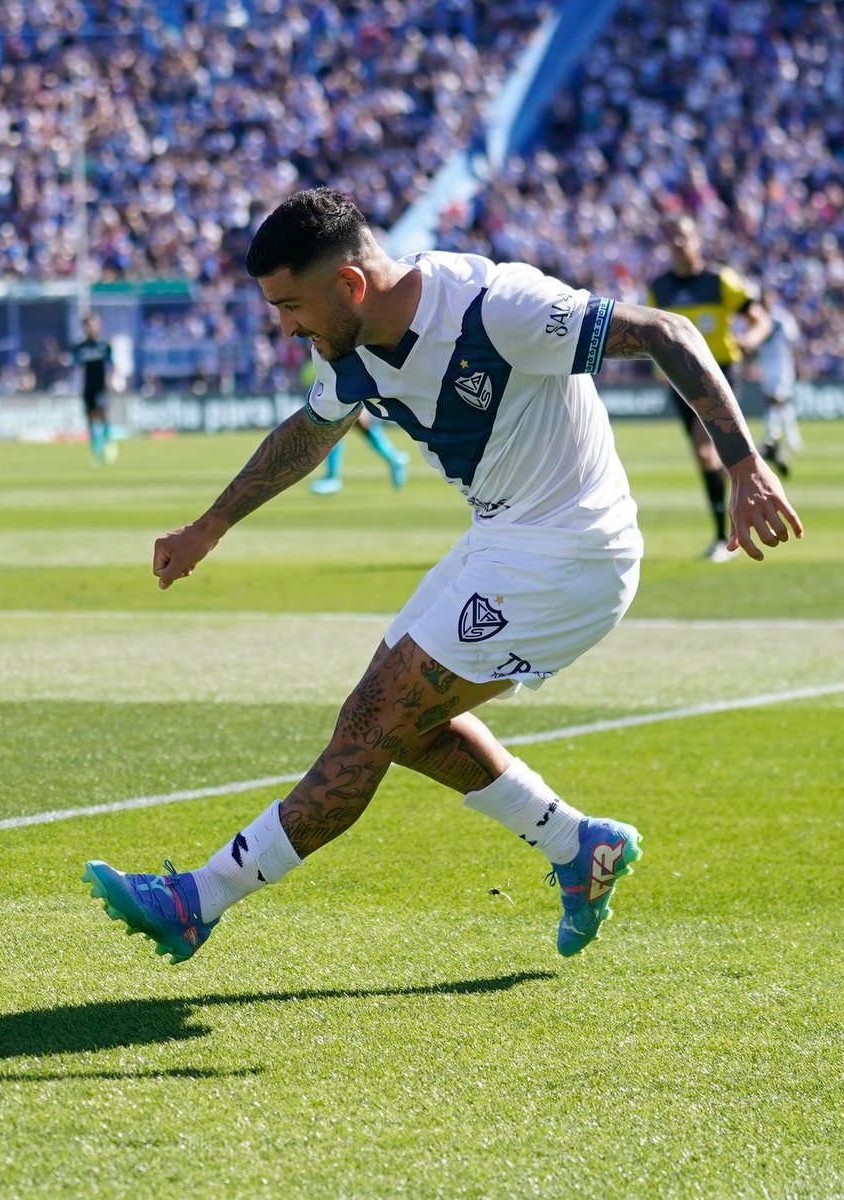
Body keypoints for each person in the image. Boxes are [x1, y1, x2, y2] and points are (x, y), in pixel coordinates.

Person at [84, 188, 801, 963]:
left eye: (291, 306)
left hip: (571, 551)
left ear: (350, 284)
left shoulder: (495, 308)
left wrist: (744, 464)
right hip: (501, 538)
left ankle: (196, 900)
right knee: (402, 723)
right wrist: (210, 526)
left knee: (371, 721)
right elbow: (311, 432)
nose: (286, 328)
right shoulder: (347, 347)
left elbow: (667, 331)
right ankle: (576, 845)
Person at [647, 214, 773, 563]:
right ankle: (758, 457)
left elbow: (760, 319)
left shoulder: (720, 281)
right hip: (679, 378)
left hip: (718, 373)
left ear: (697, 241)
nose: (678, 243)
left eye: (684, 235)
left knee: (706, 452)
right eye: (672, 236)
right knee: (706, 456)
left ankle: (724, 537)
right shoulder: (659, 288)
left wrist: (750, 339)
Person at [302, 355, 408, 495]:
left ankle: (332, 477)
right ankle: (394, 458)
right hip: (347, 387)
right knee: (361, 427)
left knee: (336, 428)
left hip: (347, 387)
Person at [749, 300, 803, 476]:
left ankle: (772, 436)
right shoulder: (758, 319)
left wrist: (797, 364)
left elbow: (793, 342)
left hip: (781, 364)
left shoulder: (782, 319)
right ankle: (791, 439)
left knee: (776, 400)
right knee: (780, 404)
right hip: (767, 365)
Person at [72, 311, 116, 465]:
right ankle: (96, 451)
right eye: (90, 326)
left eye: (95, 325)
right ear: (85, 328)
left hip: (101, 387)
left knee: (102, 415)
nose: (93, 328)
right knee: (90, 419)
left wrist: (111, 380)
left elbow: (111, 365)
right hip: (87, 387)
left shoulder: (104, 346)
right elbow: (76, 367)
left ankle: (109, 444)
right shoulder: (80, 348)